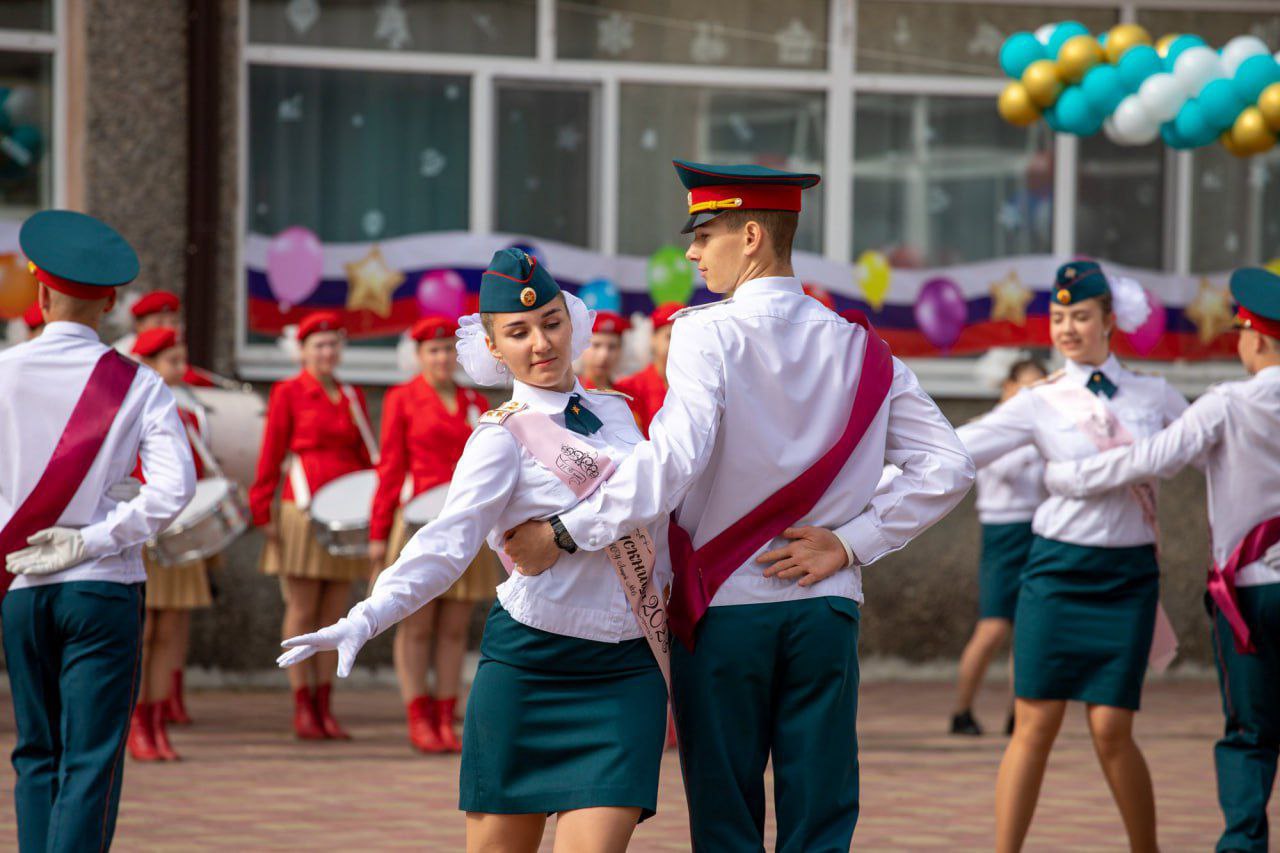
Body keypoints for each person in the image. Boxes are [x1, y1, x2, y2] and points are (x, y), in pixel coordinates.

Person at [504, 160, 975, 850]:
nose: (692, 251)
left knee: (726, 824)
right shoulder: (861, 347)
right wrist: (852, 543)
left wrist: (565, 532)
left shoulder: (706, 333)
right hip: (825, 605)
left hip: (723, 613)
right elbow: (949, 465)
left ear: (750, 235)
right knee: (821, 820)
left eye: (704, 232)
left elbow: (669, 467)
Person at [278, 249, 671, 852]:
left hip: (625, 671)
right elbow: (444, 543)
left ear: (573, 323)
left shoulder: (620, 415)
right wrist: (367, 615)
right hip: (532, 663)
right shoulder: (500, 437)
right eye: (518, 332)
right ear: (494, 348)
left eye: (551, 323)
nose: (540, 343)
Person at [1043, 266, 1280, 853]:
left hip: (1247, 593)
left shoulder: (1227, 403)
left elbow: (1151, 458)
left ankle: (1243, 843)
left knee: (1250, 731)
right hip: (1250, 587)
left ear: (1254, 336)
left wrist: (1068, 477)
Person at [956, 260, 1188, 853]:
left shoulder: (1154, 394)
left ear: (1110, 321)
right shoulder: (1040, 401)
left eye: (1081, 316)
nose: (1067, 327)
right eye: (1059, 317)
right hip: (1055, 573)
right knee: (1035, 722)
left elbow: (1207, 447)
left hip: (1127, 576)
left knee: (1112, 728)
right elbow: (961, 448)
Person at [1, 210, 195, 851]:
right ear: (110, 302)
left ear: (42, 293)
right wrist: (94, 537)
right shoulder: (140, 384)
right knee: (90, 759)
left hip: (22, 585)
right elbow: (175, 489)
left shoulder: (3, 373)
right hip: (102, 586)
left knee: (36, 752)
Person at [369, 315, 496, 754]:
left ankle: (445, 716)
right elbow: (390, 468)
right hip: (419, 525)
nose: (442, 358)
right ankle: (417, 716)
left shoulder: (475, 400)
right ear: (418, 355)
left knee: (455, 626)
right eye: (433, 350)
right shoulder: (402, 399)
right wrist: (378, 533)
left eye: (448, 350)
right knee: (418, 625)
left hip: (464, 522)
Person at [249, 311, 375, 740]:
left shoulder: (351, 394)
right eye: (318, 345)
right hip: (302, 507)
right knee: (302, 608)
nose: (327, 352)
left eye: (333, 344)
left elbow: (365, 457)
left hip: (343, 512)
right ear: (301, 350)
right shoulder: (288, 391)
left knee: (334, 612)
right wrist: (261, 508)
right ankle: (302, 703)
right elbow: (271, 452)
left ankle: (325, 705)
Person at [124, 328, 215, 763]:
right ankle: (136, 722)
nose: (180, 370)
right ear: (147, 364)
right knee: (145, 632)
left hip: (179, 532)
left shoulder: (190, 416)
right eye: (171, 361)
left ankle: (157, 722)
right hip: (144, 531)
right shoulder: (127, 412)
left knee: (170, 632)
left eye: (182, 360)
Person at [951, 356, 1048, 737]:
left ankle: (1017, 713)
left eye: (1040, 389)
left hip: (1040, 532)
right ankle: (962, 711)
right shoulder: (987, 429)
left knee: (1029, 628)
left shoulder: (1046, 429)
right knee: (992, 627)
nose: (1031, 397)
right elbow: (1005, 470)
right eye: (1024, 387)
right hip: (1003, 533)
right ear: (1006, 389)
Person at [117, 288, 223, 388]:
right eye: (159, 322)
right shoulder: (121, 354)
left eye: (174, 322)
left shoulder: (177, 349)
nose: (169, 328)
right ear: (139, 325)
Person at [614, 302, 681, 437]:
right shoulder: (628, 389)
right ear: (652, 338)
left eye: (684, 337)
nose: (678, 344)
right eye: (670, 336)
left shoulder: (693, 385)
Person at [578, 311, 630, 393]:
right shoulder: (568, 390)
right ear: (581, 346)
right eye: (596, 345)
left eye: (612, 347)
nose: (604, 355)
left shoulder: (627, 395)